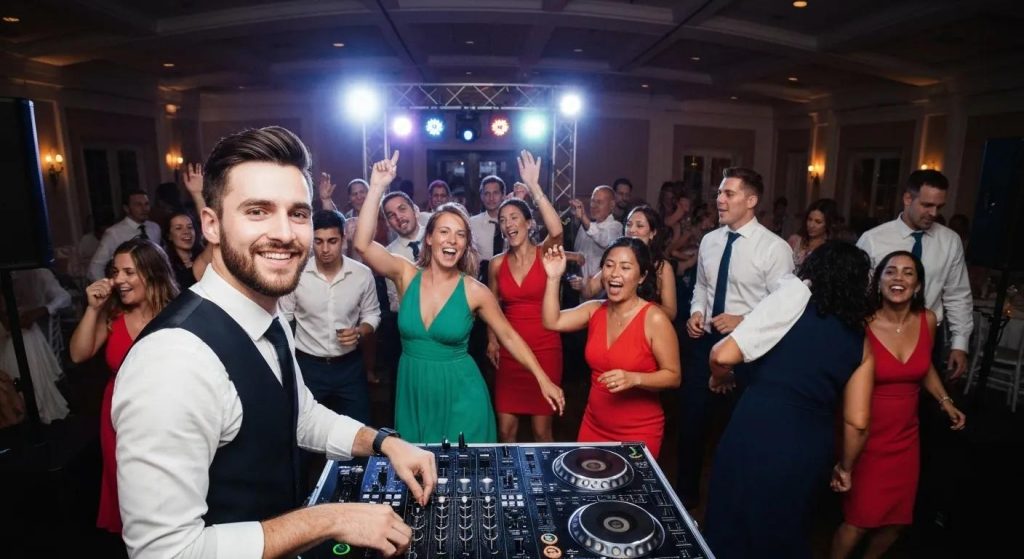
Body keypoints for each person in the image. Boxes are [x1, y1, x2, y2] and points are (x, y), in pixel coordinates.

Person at [111, 127, 436, 558]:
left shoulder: (270, 313)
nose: (284, 233)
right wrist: (329, 518)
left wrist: (383, 442)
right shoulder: (173, 360)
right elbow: (165, 552)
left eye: (298, 213)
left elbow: (298, 416)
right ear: (211, 223)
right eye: (258, 211)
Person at [354, 150, 564, 444]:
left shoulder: (475, 291)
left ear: (466, 245)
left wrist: (543, 379)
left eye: (461, 235)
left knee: (465, 482)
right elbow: (362, 245)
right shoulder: (405, 274)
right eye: (444, 232)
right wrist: (376, 187)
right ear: (429, 238)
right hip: (414, 392)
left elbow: (509, 336)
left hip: (463, 397)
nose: (452, 240)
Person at [703, 241, 876, 558]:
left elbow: (722, 354)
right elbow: (858, 421)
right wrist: (846, 467)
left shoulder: (784, 311)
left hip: (752, 427)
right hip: (807, 444)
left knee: (731, 518)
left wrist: (721, 377)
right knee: (784, 526)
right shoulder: (860, 343)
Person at [831, 251, 966, 559]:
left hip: (906, 436)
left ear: (918, 285)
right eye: (890, 272)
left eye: (907, 273)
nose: (898, 279)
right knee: (858, 522)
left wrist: (945, 401)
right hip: (865, 434)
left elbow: (924, 367)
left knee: (896, 521)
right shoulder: (861, 323)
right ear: (878, 282)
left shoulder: (927, 320)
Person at [678, 167, 794, 508]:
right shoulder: (711, 241)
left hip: (749, 356)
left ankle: (728, 505)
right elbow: (702, 286)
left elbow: (784, 308)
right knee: (691, 426)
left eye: (729, 194)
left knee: (735, 435)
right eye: (719, 193)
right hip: (704, 348)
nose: (720, 199)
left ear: (751, 200)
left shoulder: (774, 249)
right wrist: (696, 312)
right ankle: (684, 502)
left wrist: (743, 320)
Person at [69, 238, 178, 535]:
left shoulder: (176, 314)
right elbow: (78, 354)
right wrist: (93, 310)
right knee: (128, 487)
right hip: (119, 415)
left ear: (152, 273)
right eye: (115, 272)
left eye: (129, 272)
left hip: (165, 410)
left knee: (167, 486)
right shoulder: (113, 316)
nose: (119, 280)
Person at [541, 239, 681, 458]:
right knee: (587, 491)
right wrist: (552, 277)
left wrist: (635, 378)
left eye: (625, 267)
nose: (615, 273)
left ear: (642, 276)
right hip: (593, 425)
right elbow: (552, 321)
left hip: (639, 431)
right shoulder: (595, 310)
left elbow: (674, 376)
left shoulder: (654, 318)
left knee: (629, 493)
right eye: (609, 265)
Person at [856, 169, 973, 379]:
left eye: (939, 207)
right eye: (927, 205)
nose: (934, 213)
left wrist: (960, 343)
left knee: (924, 402)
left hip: (928, 336)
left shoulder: (950, 241)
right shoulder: (873, 239)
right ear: (908, 198)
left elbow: (957, 295)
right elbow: (858, 291)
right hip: (879, 334)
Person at [486, 150, 564, 442]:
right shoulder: (496, 264)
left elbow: (556, 229)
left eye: (515, 217)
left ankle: (546, 489)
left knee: (543, 431)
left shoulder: (547, 254)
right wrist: (492, 340)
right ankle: (511, 487)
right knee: (506, 430)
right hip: (510, 350)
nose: (508, 223)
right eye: (503, 220)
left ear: (529, 223)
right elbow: (491, 307)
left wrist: (534, 186)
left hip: (545, 347)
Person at [280, 209, 380, 424]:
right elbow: (285, 321)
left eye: (332, 241)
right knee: (302, 432)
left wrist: (360, 331)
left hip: (349, 366)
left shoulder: (362, 274)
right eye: (318, 241)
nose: (325, 249)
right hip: (308, 366)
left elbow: (372, 314)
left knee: (360, 429)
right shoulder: (295, 274)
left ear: (344, 239)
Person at [0, 267, 72, 424]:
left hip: (39, 330)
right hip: (11, 329)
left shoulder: (37, 271)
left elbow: (64, 298)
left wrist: (42, 310)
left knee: (25, 338)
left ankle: (29, 401)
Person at [582, 205, 677, 320]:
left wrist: (637, 306)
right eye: (628, 225)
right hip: (613, 322)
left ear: (652, 233)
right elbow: (589, 291)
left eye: (639, 226)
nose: (632, 230)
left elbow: (671, 313)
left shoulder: (662, 267)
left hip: (644, 327)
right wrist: (583, 282)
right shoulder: (616, 260)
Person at [88, 189, 162, 281]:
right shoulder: (114, 233)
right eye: (138, 205)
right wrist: (107, 289)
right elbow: (95, 267)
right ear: (126, 208)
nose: (144, 209)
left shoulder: (155, 228)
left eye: (146, 204)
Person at [788, 198, 839, 270]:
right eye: (809, 219)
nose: (811, 225)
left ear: (828, 224)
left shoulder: (829, 250)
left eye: (818, 222)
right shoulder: (794, 241)